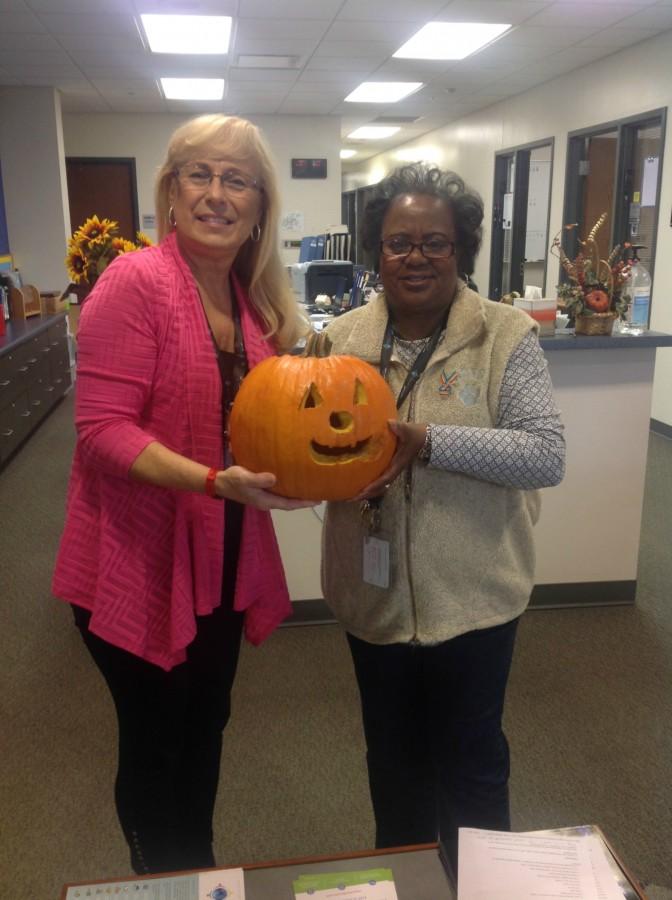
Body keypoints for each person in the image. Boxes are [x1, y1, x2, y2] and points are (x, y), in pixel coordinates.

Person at [52, 114, 314, 875]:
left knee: (207, 723)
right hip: (137, 557)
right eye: (199, 174)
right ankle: (162, 878)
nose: (216, 194)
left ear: (260, 205)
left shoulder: (252, 302)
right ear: (170, 192)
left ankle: (195, 868)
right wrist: (210, 480)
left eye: (237, 179)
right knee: (158, 734)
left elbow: (261, 423)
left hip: (221, 559)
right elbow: (102, 431)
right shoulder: (133, 283)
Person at [321, 163, 565, 875]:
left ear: (461, 251)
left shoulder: (505, 336)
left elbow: (544, 454)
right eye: (400, 242)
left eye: (437, 241)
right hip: (374, 600)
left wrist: (427, 442)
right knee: (392, 768)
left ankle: (484, 887)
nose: (417, 256)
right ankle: (406, 883)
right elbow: (310, 447)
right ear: (377, 252)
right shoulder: (338, 341)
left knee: (474, 769)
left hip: (477, 598)